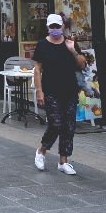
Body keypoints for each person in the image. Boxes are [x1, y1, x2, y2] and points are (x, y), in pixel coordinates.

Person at [33, 13, 87, 175]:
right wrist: (39, 91)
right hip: (51, 91)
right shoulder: (42, 45)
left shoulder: (70, 43)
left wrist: (73, 51)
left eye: (58, 26)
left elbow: (82, 64)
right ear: (48, 28)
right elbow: (37, 70)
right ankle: (41, 151)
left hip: (70, 90)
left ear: (62, 26)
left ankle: (63, 160)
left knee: (68, 126)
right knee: (55, 124)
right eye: (52, 27)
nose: (55, 29)